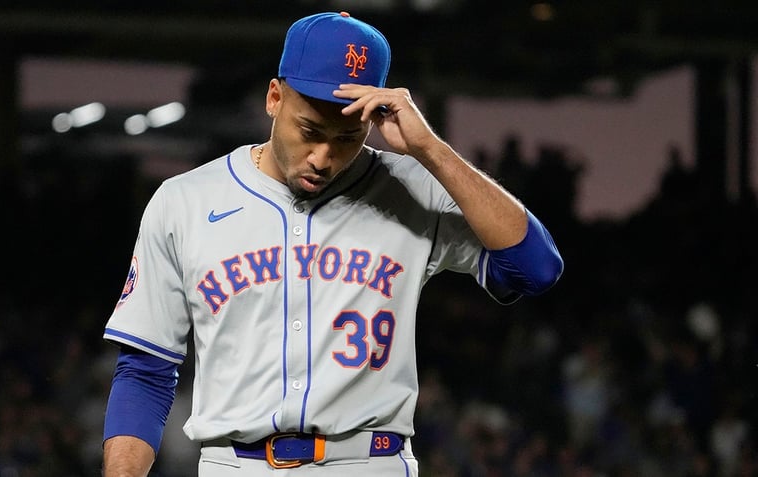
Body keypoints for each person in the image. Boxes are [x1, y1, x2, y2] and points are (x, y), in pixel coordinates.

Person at [101, 11, 563, 477]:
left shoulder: (411, 186)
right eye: (310, 131)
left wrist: (431, 150)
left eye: (347, 138)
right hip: (235, 465)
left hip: (370, 462)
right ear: (274, 98)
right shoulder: (186, 201)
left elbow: (534, 268)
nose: (323, 157)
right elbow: (145, 370)